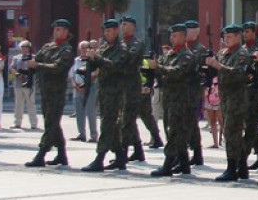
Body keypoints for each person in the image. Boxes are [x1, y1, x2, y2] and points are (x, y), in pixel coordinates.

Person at [148, 23, 197, 177]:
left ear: (183, 36)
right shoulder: (170, 54)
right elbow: (162, 72)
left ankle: (168, 164)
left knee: (175, 131)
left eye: (175, 35)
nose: (172, 38)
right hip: (169, 98)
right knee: (173, 131)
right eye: (171, 35)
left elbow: (177, 72)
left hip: (181, 99)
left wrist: (158, 67)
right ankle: (184, 164)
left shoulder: (186, 55)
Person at [207, 24, 253, 181]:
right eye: (224, 37)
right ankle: (242, 167)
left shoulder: (242, 53)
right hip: (225, 97)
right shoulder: (222, 52)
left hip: (237, 97)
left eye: (229, 37)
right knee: (232, 132)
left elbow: (239, 73)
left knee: (231, 132)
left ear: (238, 37)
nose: (226, 39)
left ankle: (232, 167)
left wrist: (218, 66)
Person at [25, 19, 75, 168]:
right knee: (52, 123)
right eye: (55, 29)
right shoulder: (48, 47)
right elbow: (38, 58)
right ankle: (62, 155)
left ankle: (41, 154)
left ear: (66, 32)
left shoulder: (66, 50)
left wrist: (38, 65)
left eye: (59, 29)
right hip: (45, 91)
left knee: (51, 123)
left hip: (56, 92)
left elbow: (58, 67)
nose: (56, 32)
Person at [82, 19, 129, 172]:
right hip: (104, 90)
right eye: (105, 31)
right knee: (112, 125)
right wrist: (90, 59)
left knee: (107, 123)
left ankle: (99, 157)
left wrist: (97, 58)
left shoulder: (121, 48)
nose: (106, 33)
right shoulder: (104, 47)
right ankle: (120, 156)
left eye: (109, 31)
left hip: (115, 92)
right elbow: (98, 64)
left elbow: (116, 65)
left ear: (116, 31)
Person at [118, 16, 148, 164]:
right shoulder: (120, 43)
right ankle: (138, 150)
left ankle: (122, 153)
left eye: (125, 24)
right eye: (122, 24)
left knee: (127, 120)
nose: (122, 27)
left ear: (133, 27)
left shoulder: (137, 43)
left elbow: (128, 58)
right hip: (121, 85)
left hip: (131, 86)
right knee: (127, 119)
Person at [241, 21, 258, 171]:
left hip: (254, 91)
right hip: (243, 91)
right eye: (244, 32)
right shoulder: (243, 49)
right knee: (250, 125)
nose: (245, 34)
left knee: (251, 125)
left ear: (254, 33)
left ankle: (242, 157)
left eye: (248, 31)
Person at [185, 20, 210, 167]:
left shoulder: (199, 49)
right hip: (183, 90)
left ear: (196, 32)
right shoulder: (184, 48)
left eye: (189, 30)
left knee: (190, 122)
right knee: (189, 123)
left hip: (193, 90)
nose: (186, 33)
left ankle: (195, 152)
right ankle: (196, 152)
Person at [69, 41, 98, 143]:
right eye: (82, 48)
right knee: (79, 112)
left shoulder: (93, 60)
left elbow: (95, 74)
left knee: (91, 112)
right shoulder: (76, 60)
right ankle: (82, 134)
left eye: (86, 48)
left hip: (90, 88)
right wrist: (74, 85)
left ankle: (93, 135)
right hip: (77, 88)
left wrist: (87, 84)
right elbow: (72, 74)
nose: (84, 50)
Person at [11, 40, 39, 129]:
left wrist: (31, 62)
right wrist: (17, 74)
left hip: (29, 83)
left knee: (31, 103)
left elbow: (36, 68)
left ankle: (33, 123)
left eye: (26, 47)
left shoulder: (33, 57)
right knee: (18, 104)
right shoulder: (16, 58)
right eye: (22, 47)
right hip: (19, 83)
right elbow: (12, 68)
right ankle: (17, 123)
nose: (24, 49)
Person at [204, 75, 221, 148]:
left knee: (221, 121)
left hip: (218, 98)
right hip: (209, 96)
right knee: (212, 122)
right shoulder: (207, 74)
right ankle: (215, 143)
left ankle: (228, 142)